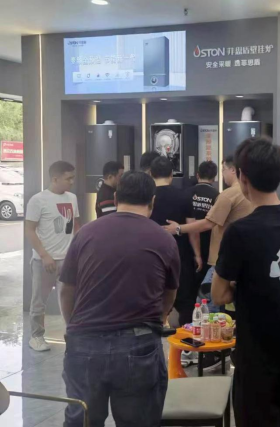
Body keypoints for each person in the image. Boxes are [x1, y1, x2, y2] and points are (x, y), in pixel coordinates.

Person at [59, 171, 180, 427]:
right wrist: (159, 318)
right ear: (152, 201)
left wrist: (74, 328)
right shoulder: (164, 239)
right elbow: (169, 293)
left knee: (83, 420)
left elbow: (66, 290)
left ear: (115, 198)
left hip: (84, 342)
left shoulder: (86, 233)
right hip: (138, 345)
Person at [212, 138, 280, 427]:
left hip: (257, 357)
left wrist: (244, 286)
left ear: (242, 177)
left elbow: (219, 294)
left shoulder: (240, 232)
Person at [164, 155, 253, 299]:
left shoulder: (228, 195)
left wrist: (179, 228)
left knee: (207, 301)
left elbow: (208, 223)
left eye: (224, 169)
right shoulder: (249, 193)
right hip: (240, 256)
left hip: (221, 259)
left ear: (233, 170)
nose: (222, 174)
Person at [25, 161, 80, 352]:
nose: (72, 182)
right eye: (68, 178)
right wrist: (44, 255)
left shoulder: (72, 198)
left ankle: (72, 335)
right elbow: (29, 230)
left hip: (68, 259)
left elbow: (75, 226)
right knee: (39, 301)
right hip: (44, 261)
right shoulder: (37, 200)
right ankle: (36, 337)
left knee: (70, 299)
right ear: (55, 179)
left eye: (72, 178)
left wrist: (77, 250)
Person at [150, 156, 202, 326]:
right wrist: (197, 255)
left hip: (152, 254)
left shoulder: (147, 197)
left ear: (151, 174)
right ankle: (186, 335)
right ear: (171, 174)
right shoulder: (183, 196)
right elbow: (193, 229)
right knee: (186, 301)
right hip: (180, 254)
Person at [183, 161, 220, 295]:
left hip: (187, 242)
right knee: (206, 284)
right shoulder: (218, 196)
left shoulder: (186, 193)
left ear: (198, 175)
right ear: (214, 178)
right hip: (209, 244)